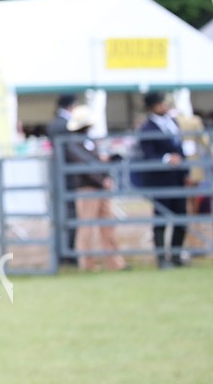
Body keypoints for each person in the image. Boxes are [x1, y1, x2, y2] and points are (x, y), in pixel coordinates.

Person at [65, 105, 127, 272]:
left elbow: (95, 163)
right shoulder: (73, 143)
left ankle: (114, 263)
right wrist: (102, 180)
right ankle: (88, 264)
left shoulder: (88, 142)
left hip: (99, 187)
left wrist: (106, 168)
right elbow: (86, 166)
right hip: (87, 189)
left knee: (108, 225)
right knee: (86, 228)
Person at [136, 91, 189, 269]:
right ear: (152, 107)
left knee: (181, 217)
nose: (164, 107)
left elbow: (181, 147)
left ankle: (175, 255)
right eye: (160, 104)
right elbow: (148, 155)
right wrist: (167, 158)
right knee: (160, 218)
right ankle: (161, 258)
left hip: (177, 177)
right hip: (159, 179)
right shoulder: (147, 129)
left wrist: (184, 168)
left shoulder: (172, 123)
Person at [46, 94, 80, 265]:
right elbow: (71, 151)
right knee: (68, 215)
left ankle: (65, 252)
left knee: (64, 215)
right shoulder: (64, 124)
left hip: (62, 175)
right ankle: (67, 253)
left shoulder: (56, 122)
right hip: (66, 176)